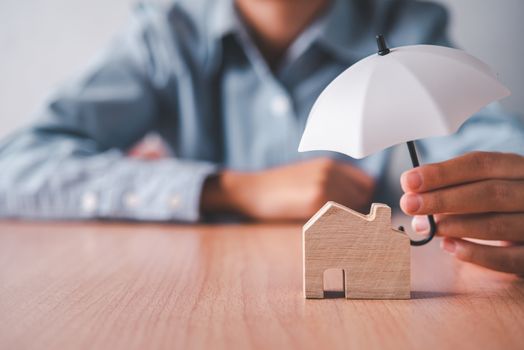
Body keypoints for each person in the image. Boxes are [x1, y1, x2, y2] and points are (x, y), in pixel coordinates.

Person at [0, 0, 523, 273]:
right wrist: (229, 188)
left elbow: (485, 145)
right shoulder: (166, 37)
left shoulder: (405, 25)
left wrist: (504, 203)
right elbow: (16, 167)